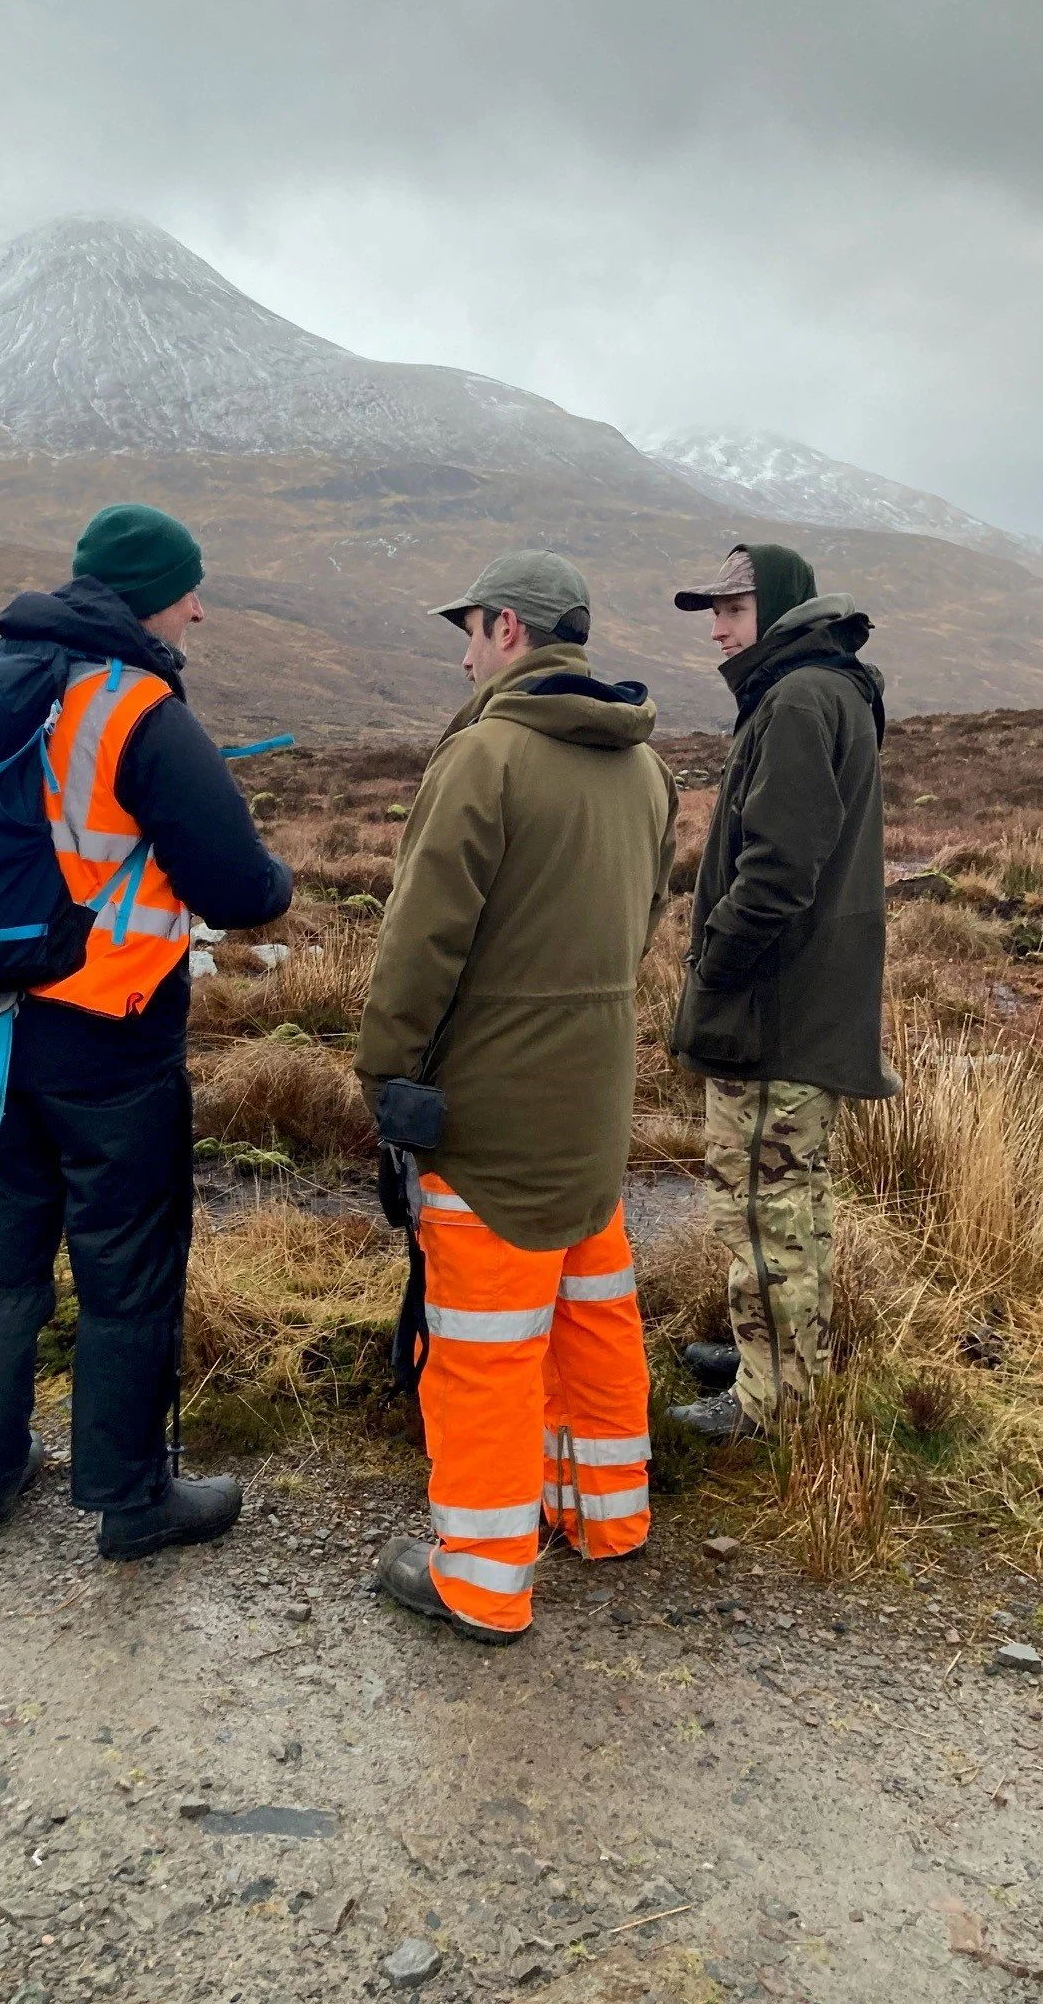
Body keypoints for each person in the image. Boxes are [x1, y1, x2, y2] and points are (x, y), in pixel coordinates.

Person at [0, 504, 293, 1549]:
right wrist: (274, 873)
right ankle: (130, 1500)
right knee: (126, 1269)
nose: (200, 606)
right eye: (191, 587)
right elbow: (241, 891)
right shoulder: (139, 708)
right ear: (154, 595)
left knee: (3, 1259)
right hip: (112, 1035)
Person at [355, 551, 677, 1644]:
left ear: (507, 629)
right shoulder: (648, 769)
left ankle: (483, 1580)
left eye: (471, 630)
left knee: (484, 1349)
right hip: (593, 1102)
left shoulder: (484, 757)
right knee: (595, 1312)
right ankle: (607, 1517)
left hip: (489, 1108)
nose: (461, 652)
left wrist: (384, 1071)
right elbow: (637, 934)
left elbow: (420, 942)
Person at [666, 544, 895, 1442]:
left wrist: (715, 968)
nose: (716, 629)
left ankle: (775, 1402)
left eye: (732, 610)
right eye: (712, 612)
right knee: (793, 1198)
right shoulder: (820, 690)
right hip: (802, 1007)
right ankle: (780, 1352)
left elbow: (778, 872)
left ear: (782, 610)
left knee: (765, 1206)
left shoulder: (799, 698)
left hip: (776, 1013)